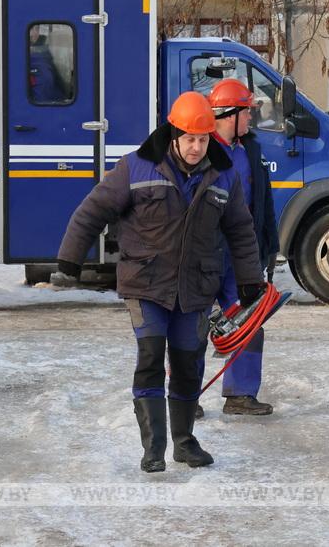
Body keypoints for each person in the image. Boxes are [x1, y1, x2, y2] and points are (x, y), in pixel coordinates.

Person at [55, 91, 265, 472]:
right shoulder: (136, 167)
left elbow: (240, 230)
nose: (197, 147)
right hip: (146, 282)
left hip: (195, 288)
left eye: (203, 139)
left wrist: (250, 279)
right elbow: (92, 210)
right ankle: (153, 449)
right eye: (190, 139)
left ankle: (184, 443)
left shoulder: (224, 176)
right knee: (151, 358)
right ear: (174, 133)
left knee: (188, 365)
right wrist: (70, 258)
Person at [203, 78, 280, 416]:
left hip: (241, 256)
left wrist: (269, 246)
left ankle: (240, 395)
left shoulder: (249, 150)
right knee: (190, 327)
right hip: (204, 256)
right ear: (229, 114)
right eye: (247, 112)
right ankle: (183, 399)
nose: (251, 118)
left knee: (249, 321)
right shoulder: (199, 148)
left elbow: (262, 202)